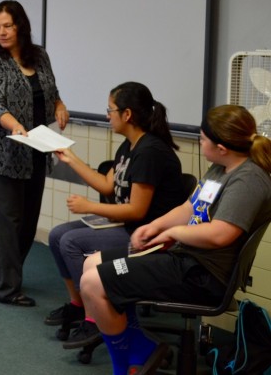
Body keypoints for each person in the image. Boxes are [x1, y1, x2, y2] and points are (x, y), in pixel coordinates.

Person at [79, 105, 271, 375]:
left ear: (221, 147)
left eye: (202, 139)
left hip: (202, 276)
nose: (199, 142)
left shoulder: (248, 180)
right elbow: (189, 209)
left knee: (91, 282)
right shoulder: (222, 168)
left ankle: (124, 365)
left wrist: (172, 233)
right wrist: (155, 226)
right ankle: (140, 348)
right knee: (92, 264)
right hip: (184, 258)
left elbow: (220, 234)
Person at [46, 82, 185, 348]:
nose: (107, 115)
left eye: (110, 110)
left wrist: (90, 207)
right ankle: (78, 304)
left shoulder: (150, 152)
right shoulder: (129, 146)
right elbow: (108, 185)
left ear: (127, 114)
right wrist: (71, 158)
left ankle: (94, 318)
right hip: (128, 225)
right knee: (57, 235)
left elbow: (136, 210)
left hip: (146, 236)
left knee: (71, 242)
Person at [0, 0, 69, 307]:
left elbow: (51, 90)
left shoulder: (39, 56)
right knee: (8, 220)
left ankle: (12, 273)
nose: (1, 32)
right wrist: (14, 125)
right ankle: (5, 288)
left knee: (28, 220)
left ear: (21, 27)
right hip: (0, 152)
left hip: (35, 151)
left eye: (8, 26)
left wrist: (59, 106)